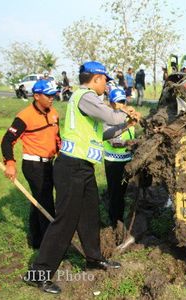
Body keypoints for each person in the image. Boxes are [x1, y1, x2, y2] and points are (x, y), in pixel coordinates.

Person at [24, 61, 140, 294]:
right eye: (105, 80)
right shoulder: (85, 96)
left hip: (84, 168)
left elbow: (105, 132)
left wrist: (126, 122)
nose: (106, 85)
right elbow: (110, 115)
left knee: (90, 215)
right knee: (65, 221)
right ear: (96, 78)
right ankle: (38, 272)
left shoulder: (89, 101)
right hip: (71, 167)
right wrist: (124, 111)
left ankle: (94, 258)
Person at [1, 79, 60, 249]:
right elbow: (7, 141)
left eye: (53, 95)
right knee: (46, 202)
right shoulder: (24, 116)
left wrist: (61, 155)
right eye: (48, 95)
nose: (52, 98)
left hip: (50, 163)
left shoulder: (54, 113)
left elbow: (57, 138)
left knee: (39, 201)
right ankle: (51, 247)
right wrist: (10, 164)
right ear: (36, 96)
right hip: (34, 166)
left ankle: (37, 241)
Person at [104, 88, 136, 228]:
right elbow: (112, 141)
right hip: (113, 162)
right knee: (115, 194)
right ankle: (115, 223)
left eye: (123, 102)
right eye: (117, 103)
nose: (120, 105)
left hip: (126, 160)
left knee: (123, 193)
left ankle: (120, 219)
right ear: (111, 103)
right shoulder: (108, 118)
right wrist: (131, 144)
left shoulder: (128, 116)